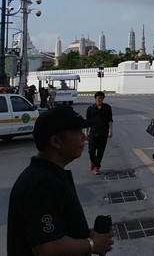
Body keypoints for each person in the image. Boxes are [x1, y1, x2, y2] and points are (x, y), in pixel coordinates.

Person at [7, 107, 115, 255]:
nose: (84, 137)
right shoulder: (41, 184)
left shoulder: (49, 175)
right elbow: (46, 247)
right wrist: (92, 245)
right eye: (78, 132)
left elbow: (57, 229)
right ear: (56, 141)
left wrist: (86, 234)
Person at [85, 91, 113, 175]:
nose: (99, 100)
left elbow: (110, 120)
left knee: (101, 151)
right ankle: (93, 161)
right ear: (95, 99)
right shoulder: (90, 108)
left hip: (103, 133)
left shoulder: (107, 108)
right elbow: (87, 121)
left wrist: (110, 131)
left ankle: (96, 167)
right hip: (93, 133)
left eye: (101, 98)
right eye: (98, 98)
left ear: (103, 99)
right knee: (91, 150)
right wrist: (86, 132)